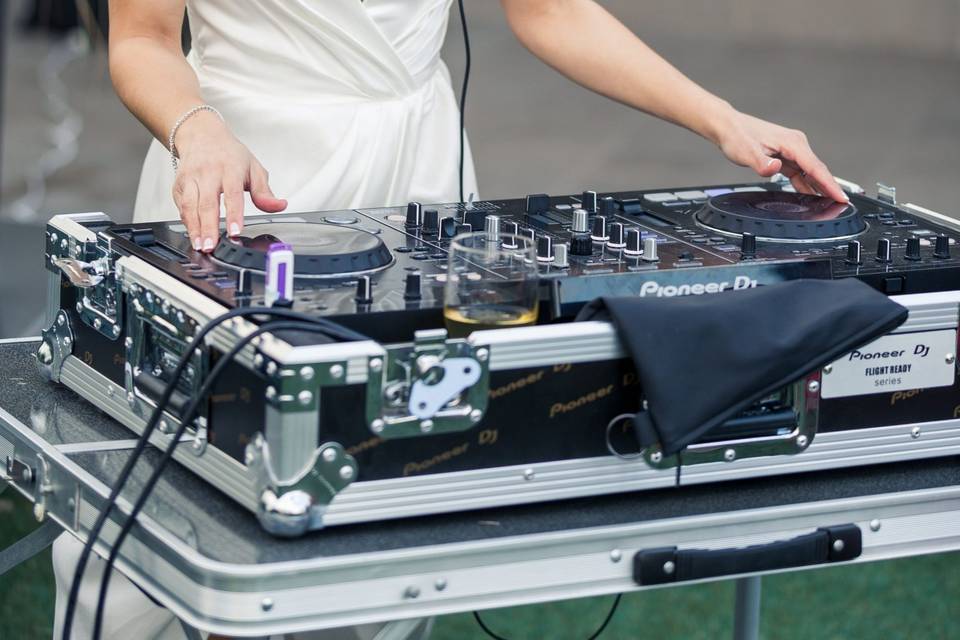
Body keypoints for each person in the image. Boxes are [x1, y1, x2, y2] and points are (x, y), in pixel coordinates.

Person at [55, 0, 848, 638]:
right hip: (241, 169)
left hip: (419, 169)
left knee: (400, 496)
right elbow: (143, 38)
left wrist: (723, 120)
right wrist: (197, 132)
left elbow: (551, 9)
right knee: (201, 499)